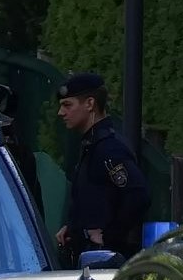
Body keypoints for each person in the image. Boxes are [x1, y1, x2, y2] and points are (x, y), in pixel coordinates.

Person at [56, 72, 150, 262]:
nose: (61, 113)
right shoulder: (92, 145)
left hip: (103, 260)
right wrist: (73, 227)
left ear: (90, 104)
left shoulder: (108, 148)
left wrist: (109, 236)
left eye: (67, 105)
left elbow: (138, 195)